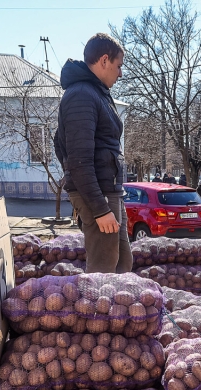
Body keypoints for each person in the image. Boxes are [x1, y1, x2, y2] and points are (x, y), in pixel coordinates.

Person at [54, 33, 132, 274]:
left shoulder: (96, 93)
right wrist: (100, 208)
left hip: (108, 192)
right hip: (99, 196)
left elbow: (61, 143)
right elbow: (77, 159)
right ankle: (99, 313)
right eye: (119, 66)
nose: (120, 74)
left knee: (121, 265)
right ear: (104, 60)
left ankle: (119, 313)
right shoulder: (81, 95)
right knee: (104, 272)